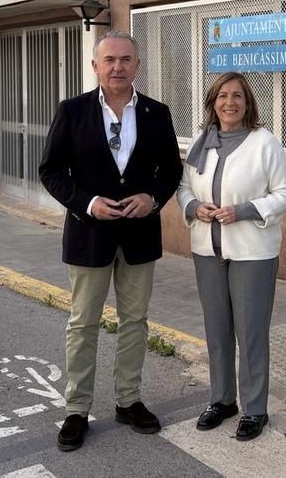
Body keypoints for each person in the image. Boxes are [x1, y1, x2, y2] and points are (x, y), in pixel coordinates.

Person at [38, 30, 183, 452]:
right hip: (89, 236)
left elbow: (171, 170)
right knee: (83, 323)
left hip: (139, 237)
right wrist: (87, 202)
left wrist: (152, 198)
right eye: (109, 60)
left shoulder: (157, 113)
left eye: (125, 59)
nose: (117, 67)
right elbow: (50, 171)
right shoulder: (73, 111)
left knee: (135, 321)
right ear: (95, 67)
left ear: (138, 65)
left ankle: (128, 400)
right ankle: (77, 409)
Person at [176, 72, 286, 441]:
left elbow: (285, 193)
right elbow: (183, 188)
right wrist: (195, 206)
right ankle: (222, 400)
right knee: (217, 331)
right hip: (207, 250)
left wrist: (244, 210)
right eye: (223, 96)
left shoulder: (265, 143)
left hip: (251, 254)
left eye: (238, 96)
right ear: (213, 102)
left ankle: (254, 409)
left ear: (248, 102)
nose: (230, 102)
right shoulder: (201, 142)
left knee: (251, 333)